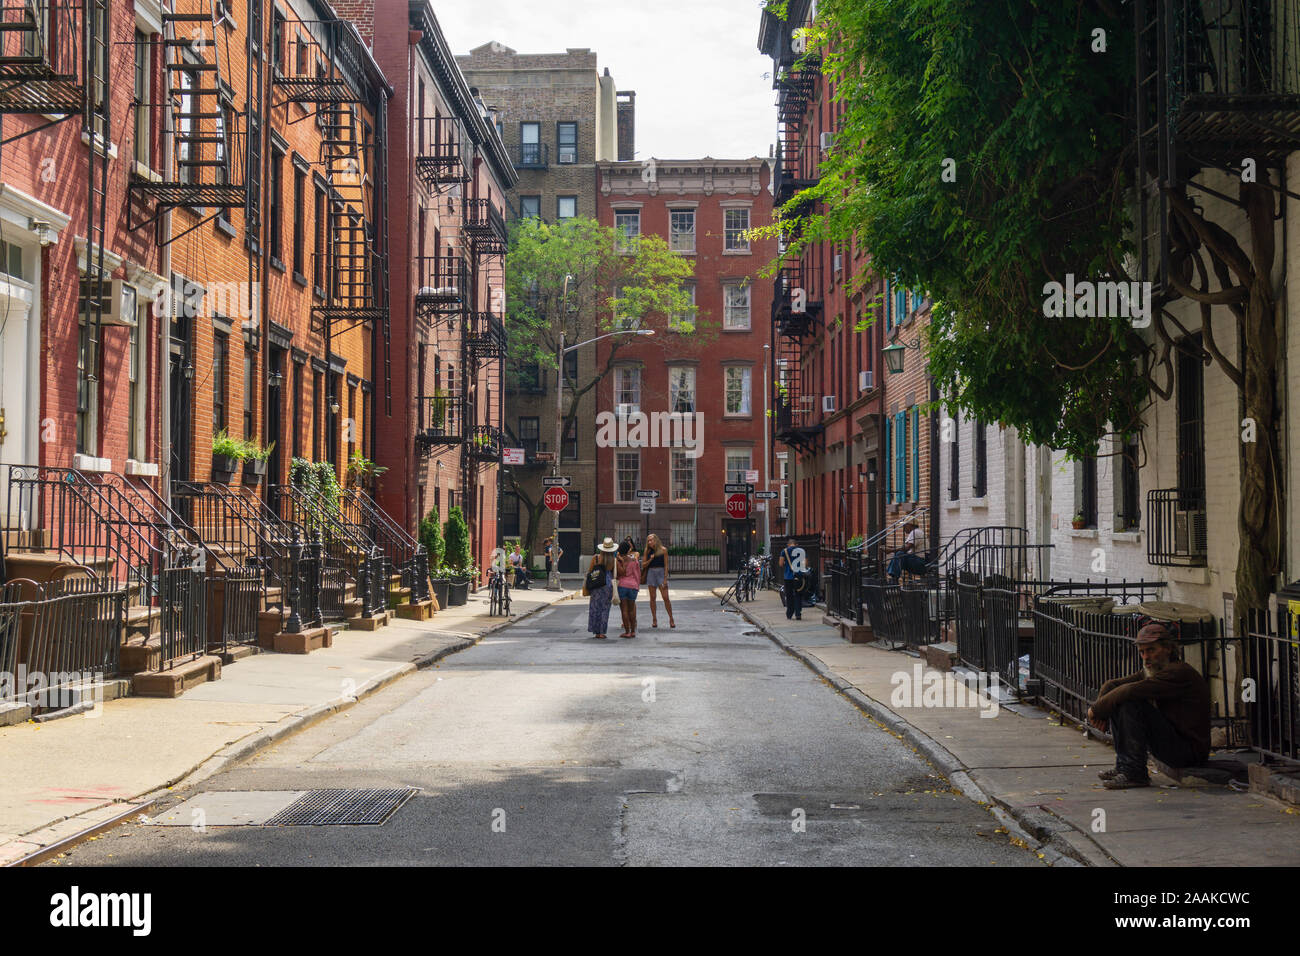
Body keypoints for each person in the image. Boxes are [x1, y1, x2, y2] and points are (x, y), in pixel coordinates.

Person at [1087, 621, 1211, 790]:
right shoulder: (1157, 669)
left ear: (1167, 648)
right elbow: (1113, 685)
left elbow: (1129, 690)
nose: (1145, 657)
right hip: (1171, 742)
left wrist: (1094, 710)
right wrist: (1102, 712)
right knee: (1119, 697)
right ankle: (1124, 766)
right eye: (1142, 652)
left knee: (1129, 700)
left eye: (1151, 650)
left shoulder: (1178, 672)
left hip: (1188, 752)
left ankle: (1134, 773)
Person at [585, 537, 619, 639]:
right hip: (607, 584)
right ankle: (602, 632)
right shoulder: (613, 560)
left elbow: (590, 571)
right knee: (605, 608)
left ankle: (596, 631)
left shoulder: (596, 558)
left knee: (595, 607)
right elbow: (614, 573)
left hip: (596, 584)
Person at [641, 533, 675, 628]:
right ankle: (654, 619)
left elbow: (666, 565)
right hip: (651, 573)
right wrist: (650, 560)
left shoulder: (663, 550)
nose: (649, 542)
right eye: (648, 540)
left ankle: (671, 618)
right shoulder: (647, 551)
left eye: (651, 540)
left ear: (656, 540)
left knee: (666, 597)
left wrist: (665, 579)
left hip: (660, 573)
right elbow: (643, 565)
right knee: (652, 598)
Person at [615, 537, 641, 638]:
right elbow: (637, 575)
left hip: (622, 586)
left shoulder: (618, 561)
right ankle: (633, 631)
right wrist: (637, 586)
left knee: (624, 610)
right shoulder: (634, 560)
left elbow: (617, 575)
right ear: (628, 549)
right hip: (633, 586)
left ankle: (627, 632)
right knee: (631, 609)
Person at [778, 537, 804, 621]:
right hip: (799, 576)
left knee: (789, 596)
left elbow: (781, 564)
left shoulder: (784, 551)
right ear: (796, 544)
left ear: (788, 544)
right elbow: (805, 564)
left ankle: (789, 613)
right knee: (798, 595)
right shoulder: (801, 551)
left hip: (788, 577)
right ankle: (798, 613)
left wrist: (786, 564)